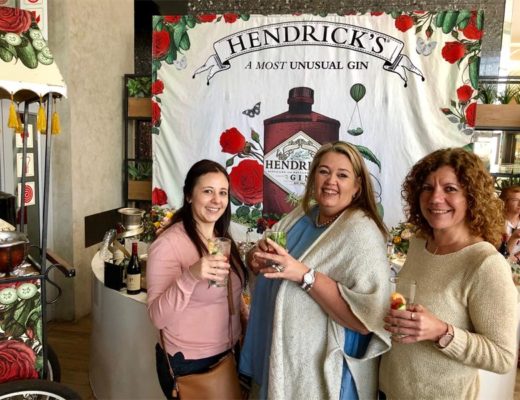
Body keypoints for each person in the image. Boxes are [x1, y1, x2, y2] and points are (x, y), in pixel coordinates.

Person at [240, 141, 391, 400]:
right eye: (324, 171)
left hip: (319, 377)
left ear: (357, 186)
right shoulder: (302, 215)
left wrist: (304, 275)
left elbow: (367, 318)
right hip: (277, 358)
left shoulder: (362, 232)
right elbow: (260, 254)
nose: (331, 181)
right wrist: (255, 257)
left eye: (342, 175)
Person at [379, 148, 518, 399]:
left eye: (450, 189)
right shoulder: (419, 244)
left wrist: (441, 332)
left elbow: (502, 357)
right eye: (427, 188)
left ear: (471, 197)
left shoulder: (485, 263)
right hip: (390, 390)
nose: (435, 198)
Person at [147, 159, 248, 399]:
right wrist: (191, 275)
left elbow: (229, 294)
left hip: (228, 352)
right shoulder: (168, 244)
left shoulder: (221, 238)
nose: (217, 200)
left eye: (223, 192)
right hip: (190, 362)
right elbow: (157, 317)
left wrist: (246, 323)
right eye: (208, 191)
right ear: (189, 196)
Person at [499, 185, 520, 260]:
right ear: (504, 202)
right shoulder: (496, 224)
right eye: (515, 200)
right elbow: (499, 256)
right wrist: (514, 238)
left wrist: (518, 256)